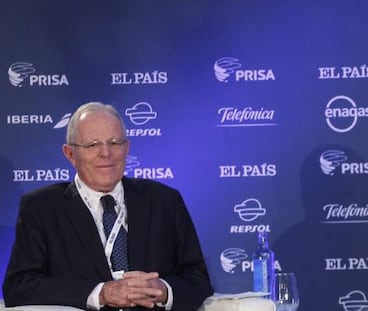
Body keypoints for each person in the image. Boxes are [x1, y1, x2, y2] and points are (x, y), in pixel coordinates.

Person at [2, 102, 214, 311]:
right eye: (92, 144)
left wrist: (165, 291)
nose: (106, 153)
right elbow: (19, 287)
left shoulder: (165, 201)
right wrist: (100, 294)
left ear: (127, 147)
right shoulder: (42, 208)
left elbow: (198, 280)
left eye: (114, 142)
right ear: (70, 154)